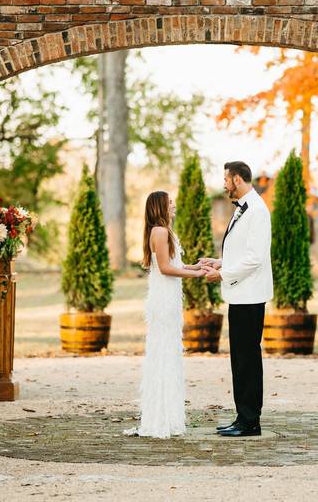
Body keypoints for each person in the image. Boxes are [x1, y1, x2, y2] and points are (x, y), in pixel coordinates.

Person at [123, 191, 206, 438]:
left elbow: (174, 265)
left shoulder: (163, 231)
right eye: (169, 202)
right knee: (163, 354)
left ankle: (167, 416)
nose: (174, 205)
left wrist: (196, 266)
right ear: (160, 207)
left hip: (169, 298)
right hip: (163, 301)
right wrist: (197, 275)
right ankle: (160, 418)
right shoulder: (159, 232)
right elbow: (166, 269)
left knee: (169, 354)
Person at [199, 161, 273, 437]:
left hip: (250, 296)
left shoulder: (257, 211)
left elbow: (255, 258)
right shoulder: (246, 208)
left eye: (226, 180)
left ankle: (250, 421)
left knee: (247, 360)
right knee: (240, 359)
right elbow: (243, 252)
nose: (224, 185)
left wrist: (223, 275)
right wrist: (219, 263)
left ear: (238, 180)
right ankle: (243, 416)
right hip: (241, 294)